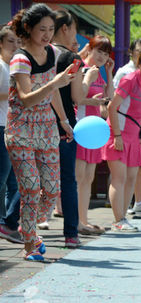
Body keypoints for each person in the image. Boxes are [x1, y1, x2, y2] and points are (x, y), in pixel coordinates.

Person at [7, 4, 76, 261]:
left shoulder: (51, 52)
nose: (47, 35)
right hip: (21, 130)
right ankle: (30, 245)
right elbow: (26, 99)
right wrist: (53, 83)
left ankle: (29, 228)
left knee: (51, 189)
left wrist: (64, 121)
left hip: (47, 129)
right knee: (31, 189)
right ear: (28, 29)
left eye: (50, 29)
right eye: (42, 29)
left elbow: (54, 92)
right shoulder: (20, 59)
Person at [51, 9, 100, 246]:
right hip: (65, 127)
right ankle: (71, 233)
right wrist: (89, 78)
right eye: (75, 29)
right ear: (65, 29)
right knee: (68, 180)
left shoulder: (41, 54)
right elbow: (78, 97)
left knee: (34, 179)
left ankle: (22, 228)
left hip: (38, 124)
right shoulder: (72, 59)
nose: (76, 35)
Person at [103, 45, 141, 232]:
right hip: (117, 131)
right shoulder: (129, 79)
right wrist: (117, 136)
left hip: (134, 134)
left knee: (131, 177)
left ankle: (123, 217)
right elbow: (112, 107)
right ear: (139, 62)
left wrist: (140, 134)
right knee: (119, 178)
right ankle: (118, 219)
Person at [75, 35, 114, 235]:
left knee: (88, 178)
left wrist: (109, 72)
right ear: (89, 49)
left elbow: (111, 99)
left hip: (94, 131)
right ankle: (74, 221)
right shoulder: (82, 68)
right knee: (77, 176)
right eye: (99, 50)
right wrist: (94, 102)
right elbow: (77, 98)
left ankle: (83, 220)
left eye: (105, 53)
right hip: (80, 127)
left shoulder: (99, 73)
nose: (101, 56)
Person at [0, 24, 22, 244]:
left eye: (18, 42)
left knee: (14, 182)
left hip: (12, 128)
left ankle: (8, 225)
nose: (15, 46)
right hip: (1, 127)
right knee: (3, 179)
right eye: (10, 42)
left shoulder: (13, 67)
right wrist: (19, 93)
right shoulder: (1, 66)